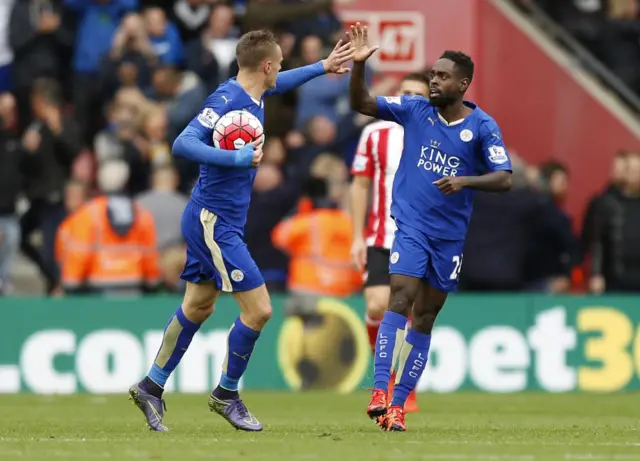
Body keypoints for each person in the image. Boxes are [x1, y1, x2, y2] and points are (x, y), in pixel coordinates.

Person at [128, 29, 353, 432]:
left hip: (217, 218)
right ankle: (226, 394)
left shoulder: (253, 92)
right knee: (261, 309)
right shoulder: (228, 100)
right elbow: (183, 143)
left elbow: (279, 82)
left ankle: (151, 385)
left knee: (198, 306)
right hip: (214, 221)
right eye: (279, 62)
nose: (281, 69)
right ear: (265, 65)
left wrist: (323, 66)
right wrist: (236, 159)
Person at [348, 22, 513, 432]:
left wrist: (465, 180)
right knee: (399, 298)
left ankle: (399, 407)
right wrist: (357, 67)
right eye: (432, 75)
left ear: (463, 83)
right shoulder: (414, 109)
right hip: (411, 226)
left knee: (424, 318)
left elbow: (504, 178)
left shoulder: (483, 127)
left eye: (442, 76)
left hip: (449, 237)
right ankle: (379, 390)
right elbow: (363, 103)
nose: (433, 82)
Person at [348, 72, 429, 413]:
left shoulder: (436, 135)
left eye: (417, 95)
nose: (409, 99)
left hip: (419, 237)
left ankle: (403, 387)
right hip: (381, 235)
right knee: (377, 307)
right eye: (405, 93)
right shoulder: (374, 133)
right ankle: (387, 378)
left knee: (409, 311)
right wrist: (356, 236)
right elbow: (361, 185)